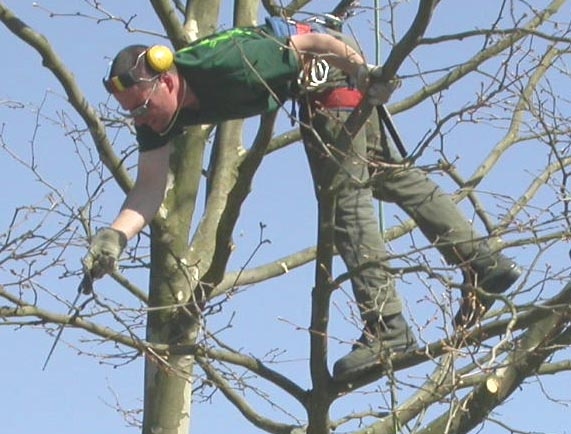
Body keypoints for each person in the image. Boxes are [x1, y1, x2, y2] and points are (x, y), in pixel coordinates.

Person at [83, 17, 521, 382]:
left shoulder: (223, 63)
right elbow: (148, 187)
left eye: (143, 105)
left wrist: (362, 72)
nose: (141, 118)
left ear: (167, 77)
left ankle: (388, 327)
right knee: (392, 179)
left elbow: (312, 42)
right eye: (131, 113)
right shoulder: (154, 121)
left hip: (329, 78)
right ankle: (483, 263)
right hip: (324, 92)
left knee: (345, 204)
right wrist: (114, 238)